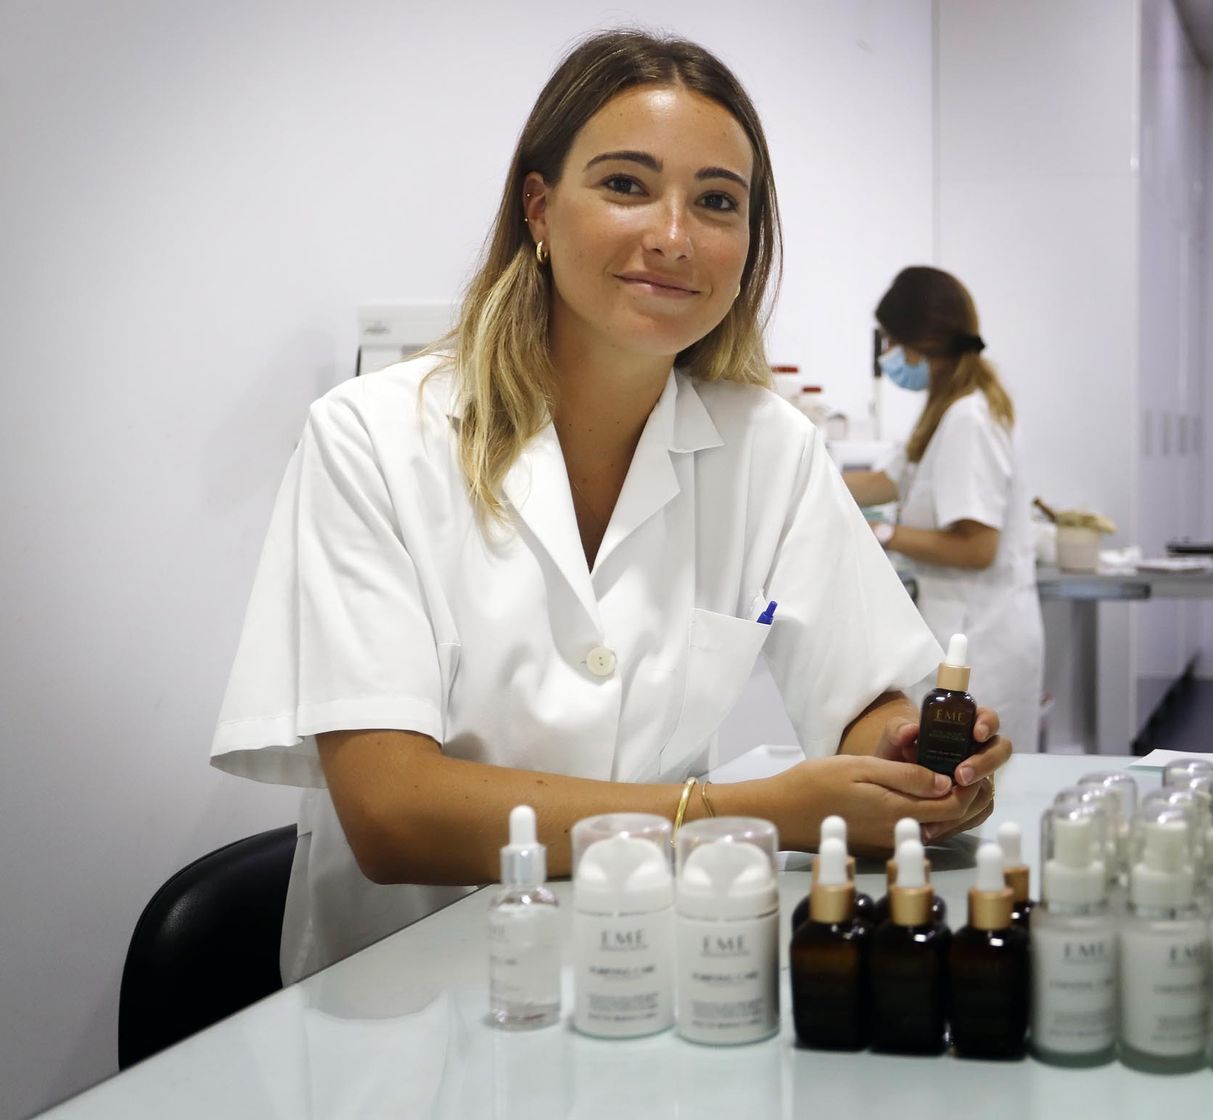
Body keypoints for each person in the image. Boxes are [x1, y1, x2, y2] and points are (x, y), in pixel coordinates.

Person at [210, 31, 1010, 983]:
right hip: (406, 1003)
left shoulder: (770, 449)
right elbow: (394, 813)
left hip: (652, 976)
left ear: (748, 246)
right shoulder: (372, 438)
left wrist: (913, 762)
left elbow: (863, 698)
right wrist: (755, 809)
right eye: (627, 185)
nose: (674, 235)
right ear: (540, 209)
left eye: (718, 202)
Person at [844, 267, 1046, 752]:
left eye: (892, 344)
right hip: (963, 629)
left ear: (920, 344)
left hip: (981, 638)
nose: (891, 358)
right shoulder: (946, 407)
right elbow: (888, 479)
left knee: (979, 786)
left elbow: (977, 547)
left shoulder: (967, 419)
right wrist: (805, 474)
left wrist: (885, 535)